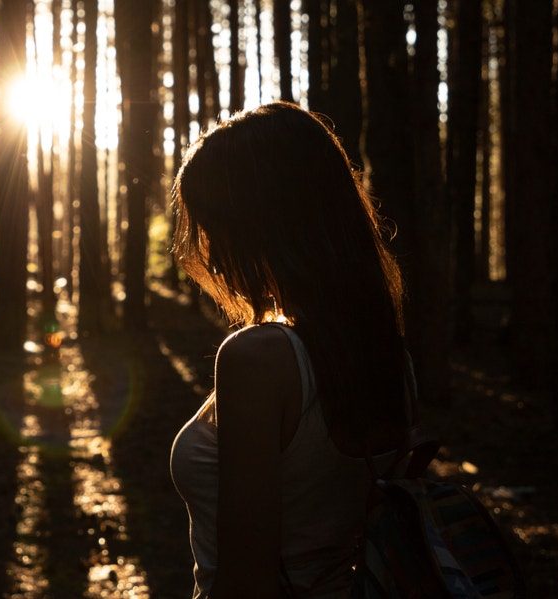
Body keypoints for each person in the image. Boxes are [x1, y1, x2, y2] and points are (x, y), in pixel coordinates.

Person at [168, 102, 412, 598]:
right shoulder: (390, 357)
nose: (211, 254)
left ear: (258, 222)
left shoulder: (258, 359)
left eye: (214, 226)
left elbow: (246, 581)